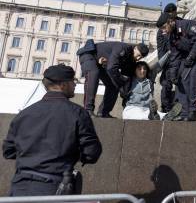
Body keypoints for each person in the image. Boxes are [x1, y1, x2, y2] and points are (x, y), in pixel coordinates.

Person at [2, 64, 102, 196]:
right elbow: (92, 152)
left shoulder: (24, 114)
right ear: (63, 85)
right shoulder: (78, 113)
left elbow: (8, 151)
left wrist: (31, 156)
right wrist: (69, 155)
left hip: (20, 187)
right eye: (73, 81)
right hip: (55, 187)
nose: (75, 85)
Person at [157, 12, 196, 121]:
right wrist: (173, 74)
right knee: (181, 77)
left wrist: (190, 57)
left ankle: (194, 110)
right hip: (194, 57)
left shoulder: (188, 25)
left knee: (194, 72)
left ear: (171, 22)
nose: (163, 31)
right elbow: (175, 57)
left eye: (164, 27)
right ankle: (184, 113)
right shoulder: (171, 37)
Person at [77, 40, 149, 117]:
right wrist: (120, 81)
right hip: (89, 55)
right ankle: (88, 110)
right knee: (94, 73)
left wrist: (124, 93)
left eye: (140, 57)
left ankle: (103, 113)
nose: (138, 58)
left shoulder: (131, 61)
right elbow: (111, 68)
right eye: (138, 55)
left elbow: (127, 79)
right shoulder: (123, 48)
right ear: (135, 48)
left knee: (113, 86)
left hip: (102, 64)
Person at [157, 2, 181, 113]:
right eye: (169, 13)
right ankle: (165, 108)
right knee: (166, 84)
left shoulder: (181, 23)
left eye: (173, 13)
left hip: (181, 60)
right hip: (168, 61)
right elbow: (161, 48)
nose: (171, 15)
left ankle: (179, 108)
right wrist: (163, 62)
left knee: (180, 84)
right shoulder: (161, 29)